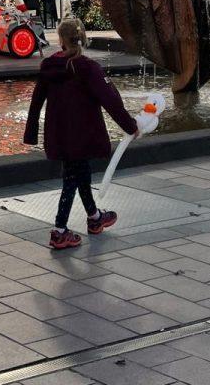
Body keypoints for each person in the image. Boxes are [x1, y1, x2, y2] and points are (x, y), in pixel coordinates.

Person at [23, 15, 139, 251]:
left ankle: (95, 218)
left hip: (59, 134)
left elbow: (36, 103)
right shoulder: (87, 68)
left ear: (61, 40)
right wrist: (130, 126)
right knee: (71, 179)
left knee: (80, 172)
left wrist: (32, 133)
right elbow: (111, 101)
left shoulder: (49, 67)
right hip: (82, 134)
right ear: (82, 39)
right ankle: (59, 231)